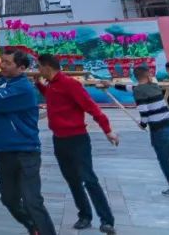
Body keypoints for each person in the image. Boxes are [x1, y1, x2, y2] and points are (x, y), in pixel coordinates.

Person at [35, 53, 117, 234]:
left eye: (39, 67)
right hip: (59, 140)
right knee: (72, 180)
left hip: (77, 139)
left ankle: (107, 220)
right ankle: (85, 215)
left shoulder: (70, 84)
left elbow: (91, 106)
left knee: (88, 179)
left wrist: (107, 130)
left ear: (47, 67)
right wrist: (38, 84)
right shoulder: (53, 85)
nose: (38, 70)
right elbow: (52, 96)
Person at [0, 49, 57, 235]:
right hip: (2, 151)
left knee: (32, 201)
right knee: (9, 199)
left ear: (21, 68)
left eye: (7, 63)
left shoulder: (24, 88)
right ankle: (33, 227)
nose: (2, 66)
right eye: (2, 62)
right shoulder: (1, 85)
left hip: (25, 151)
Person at [109, 65, 169, 201]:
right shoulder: (154, 86)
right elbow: (130, 88)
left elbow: (144, 111)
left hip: (160, 131)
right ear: (147, 75)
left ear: (135, 77)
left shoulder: (139, 91)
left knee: (164, 161)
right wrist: (111, 85)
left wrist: (142, 124)